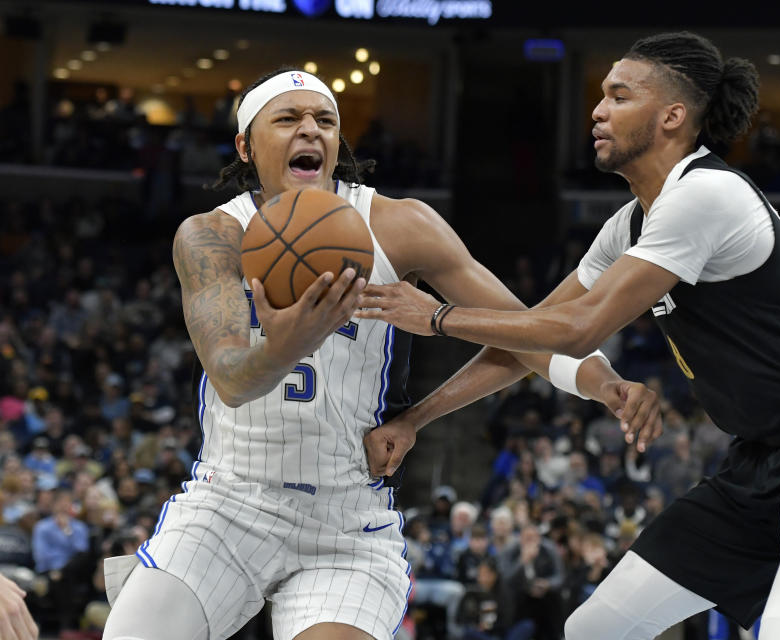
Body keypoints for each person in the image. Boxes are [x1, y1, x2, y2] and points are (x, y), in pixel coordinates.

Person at [357, 32, 780, 640]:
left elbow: (578, 330)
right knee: (593, 630)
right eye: (601, 96)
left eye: (618, 96)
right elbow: (529, 342)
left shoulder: (707, 193)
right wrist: (415, 419)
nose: (598, 110)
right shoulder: (630, 224)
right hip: (759, 463)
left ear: (672, 117)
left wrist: (438, 317)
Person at [102, 67, 654, 640]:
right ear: (245, 146)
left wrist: (598, 381)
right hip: (227, 503)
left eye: (325, 120)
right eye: (288, 119)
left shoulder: (399, 225)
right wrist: (291, 340)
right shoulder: (211, 236)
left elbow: (522, 333)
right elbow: (233, 379)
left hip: (346, 519)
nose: (310, 131)